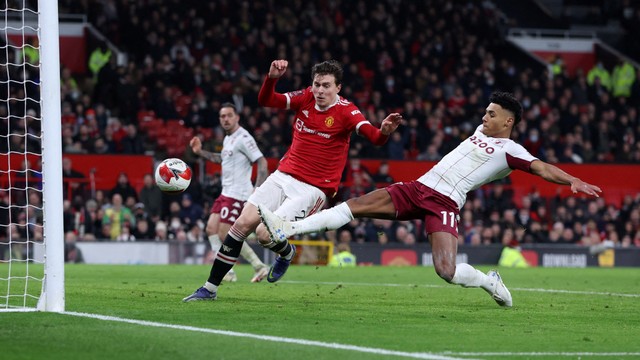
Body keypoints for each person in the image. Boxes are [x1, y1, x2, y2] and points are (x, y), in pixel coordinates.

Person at [258, 91, 601, 308]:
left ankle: (489, 281)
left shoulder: (511, 151)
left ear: (508, 121)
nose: (484, 117)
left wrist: (572, 180)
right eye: (485, 112)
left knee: (446, 271)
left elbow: (541, 169)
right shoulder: (480, 132)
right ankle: (288, 227)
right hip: (417, 187)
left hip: (445, 203)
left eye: (492, 114)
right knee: (355, 206)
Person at [183, 59, 402, 301]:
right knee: (241, 225)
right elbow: (267, 100)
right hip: (282, 176)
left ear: (338, 88)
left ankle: (286, 253)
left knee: (265, 235)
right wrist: (272, 78)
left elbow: (374, 137)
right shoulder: (306, 96)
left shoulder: (347, 111)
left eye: (326, 86)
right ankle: (209, 289)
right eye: (317, 84)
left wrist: (383, 132)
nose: (320, 90)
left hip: (313, 189)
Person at [188, 102, 270, 283]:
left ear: (237, 117)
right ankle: (230, 271)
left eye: (229, 115)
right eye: (222, 116)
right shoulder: (228, 139)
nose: (225, 119)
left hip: (238, 194)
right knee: (210, 228)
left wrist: (258, 189)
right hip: (226, 192)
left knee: (227, 234)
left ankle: (258, 266)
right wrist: (200, 152)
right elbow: (222, 159)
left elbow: (262, 162)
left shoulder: (244, 137)